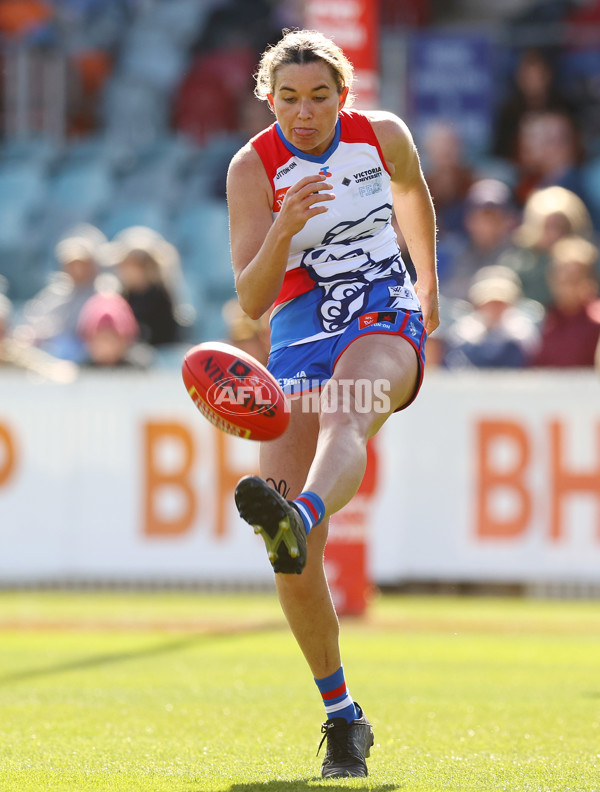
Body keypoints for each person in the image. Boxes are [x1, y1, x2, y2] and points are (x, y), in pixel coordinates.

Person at [226, 29, 439, 779]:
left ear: (342, 95)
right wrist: (285, 223)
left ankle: (301, 516)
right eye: (289, 98)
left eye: (320, 97)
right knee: (291, 566)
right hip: (294, 333)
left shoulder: (382, 136)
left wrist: (430, 284)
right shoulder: (253, 168)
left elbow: (414, 192)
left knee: (349, 414)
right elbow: (251, 301)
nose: (305, 113)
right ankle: (343, 717)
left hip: (384, 309)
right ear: (269, 98)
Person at [442, 265, 540, 369]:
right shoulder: (463, 333)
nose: (495, 308)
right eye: (490, 303)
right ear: (478, 304)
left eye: (500, 303)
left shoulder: (522, 334)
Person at [529, 236, 600, 369]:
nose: (564, 286)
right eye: (559, 278)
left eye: (572, 279)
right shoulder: (544, 321)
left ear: (588, 280)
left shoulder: (596, 321)